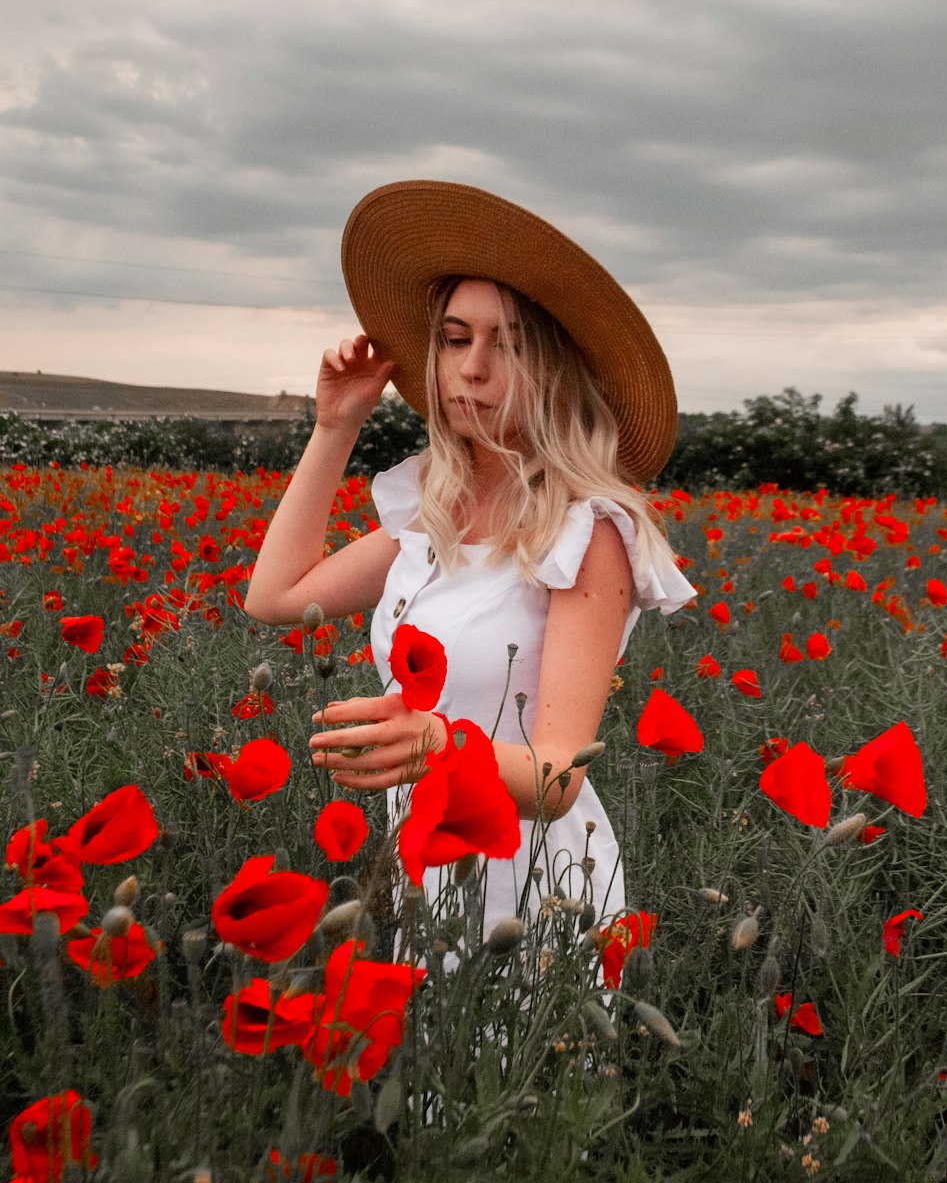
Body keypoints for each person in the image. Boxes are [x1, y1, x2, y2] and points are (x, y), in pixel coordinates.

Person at [244, 180, 696, 936]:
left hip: (536, 890)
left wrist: (438, 743)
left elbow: (558, 775)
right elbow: (277, 596)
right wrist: (333, 428)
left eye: (509, 344)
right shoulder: (432, 514)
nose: (472, 367)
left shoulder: (589, 535)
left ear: (558, 369)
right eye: (455, 339)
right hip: (425, 864)